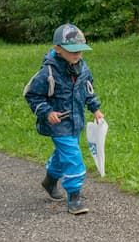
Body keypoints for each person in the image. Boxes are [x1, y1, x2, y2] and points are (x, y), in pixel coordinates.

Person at [23, 23, 104, 214]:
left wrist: (95, 109)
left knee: (63, 156)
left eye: (80, 51)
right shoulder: (48, 72)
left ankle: (49, 182)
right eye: (72, 51)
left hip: (76, 121)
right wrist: (47, 111)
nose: (77, 55)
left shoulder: (83, 68)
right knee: (73, 158)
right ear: (57, 49)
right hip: (58, 124)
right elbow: (32, 95)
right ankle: (74, 197)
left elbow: (88, 91)